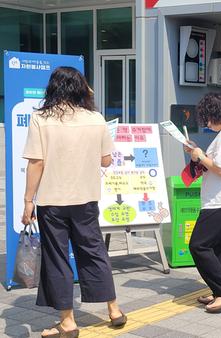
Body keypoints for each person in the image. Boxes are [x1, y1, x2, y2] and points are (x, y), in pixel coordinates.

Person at [21, 66, 126, 338]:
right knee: (94, 252)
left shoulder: (40, 119)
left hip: (53, 201)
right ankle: (114, 310)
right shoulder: (96, 118)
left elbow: (36, 162)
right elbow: (106, 159)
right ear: (82, 88)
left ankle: (67, 322)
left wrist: (27, 201)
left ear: (53, 88)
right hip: (86, 199)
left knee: (58, 258)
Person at [185, 93, 221, 313]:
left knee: (198, 245)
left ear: (220, 114)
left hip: (219, 201)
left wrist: (199, 155)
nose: (208, 124)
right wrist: (196, 154)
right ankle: (219, 291)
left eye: (210, 119)